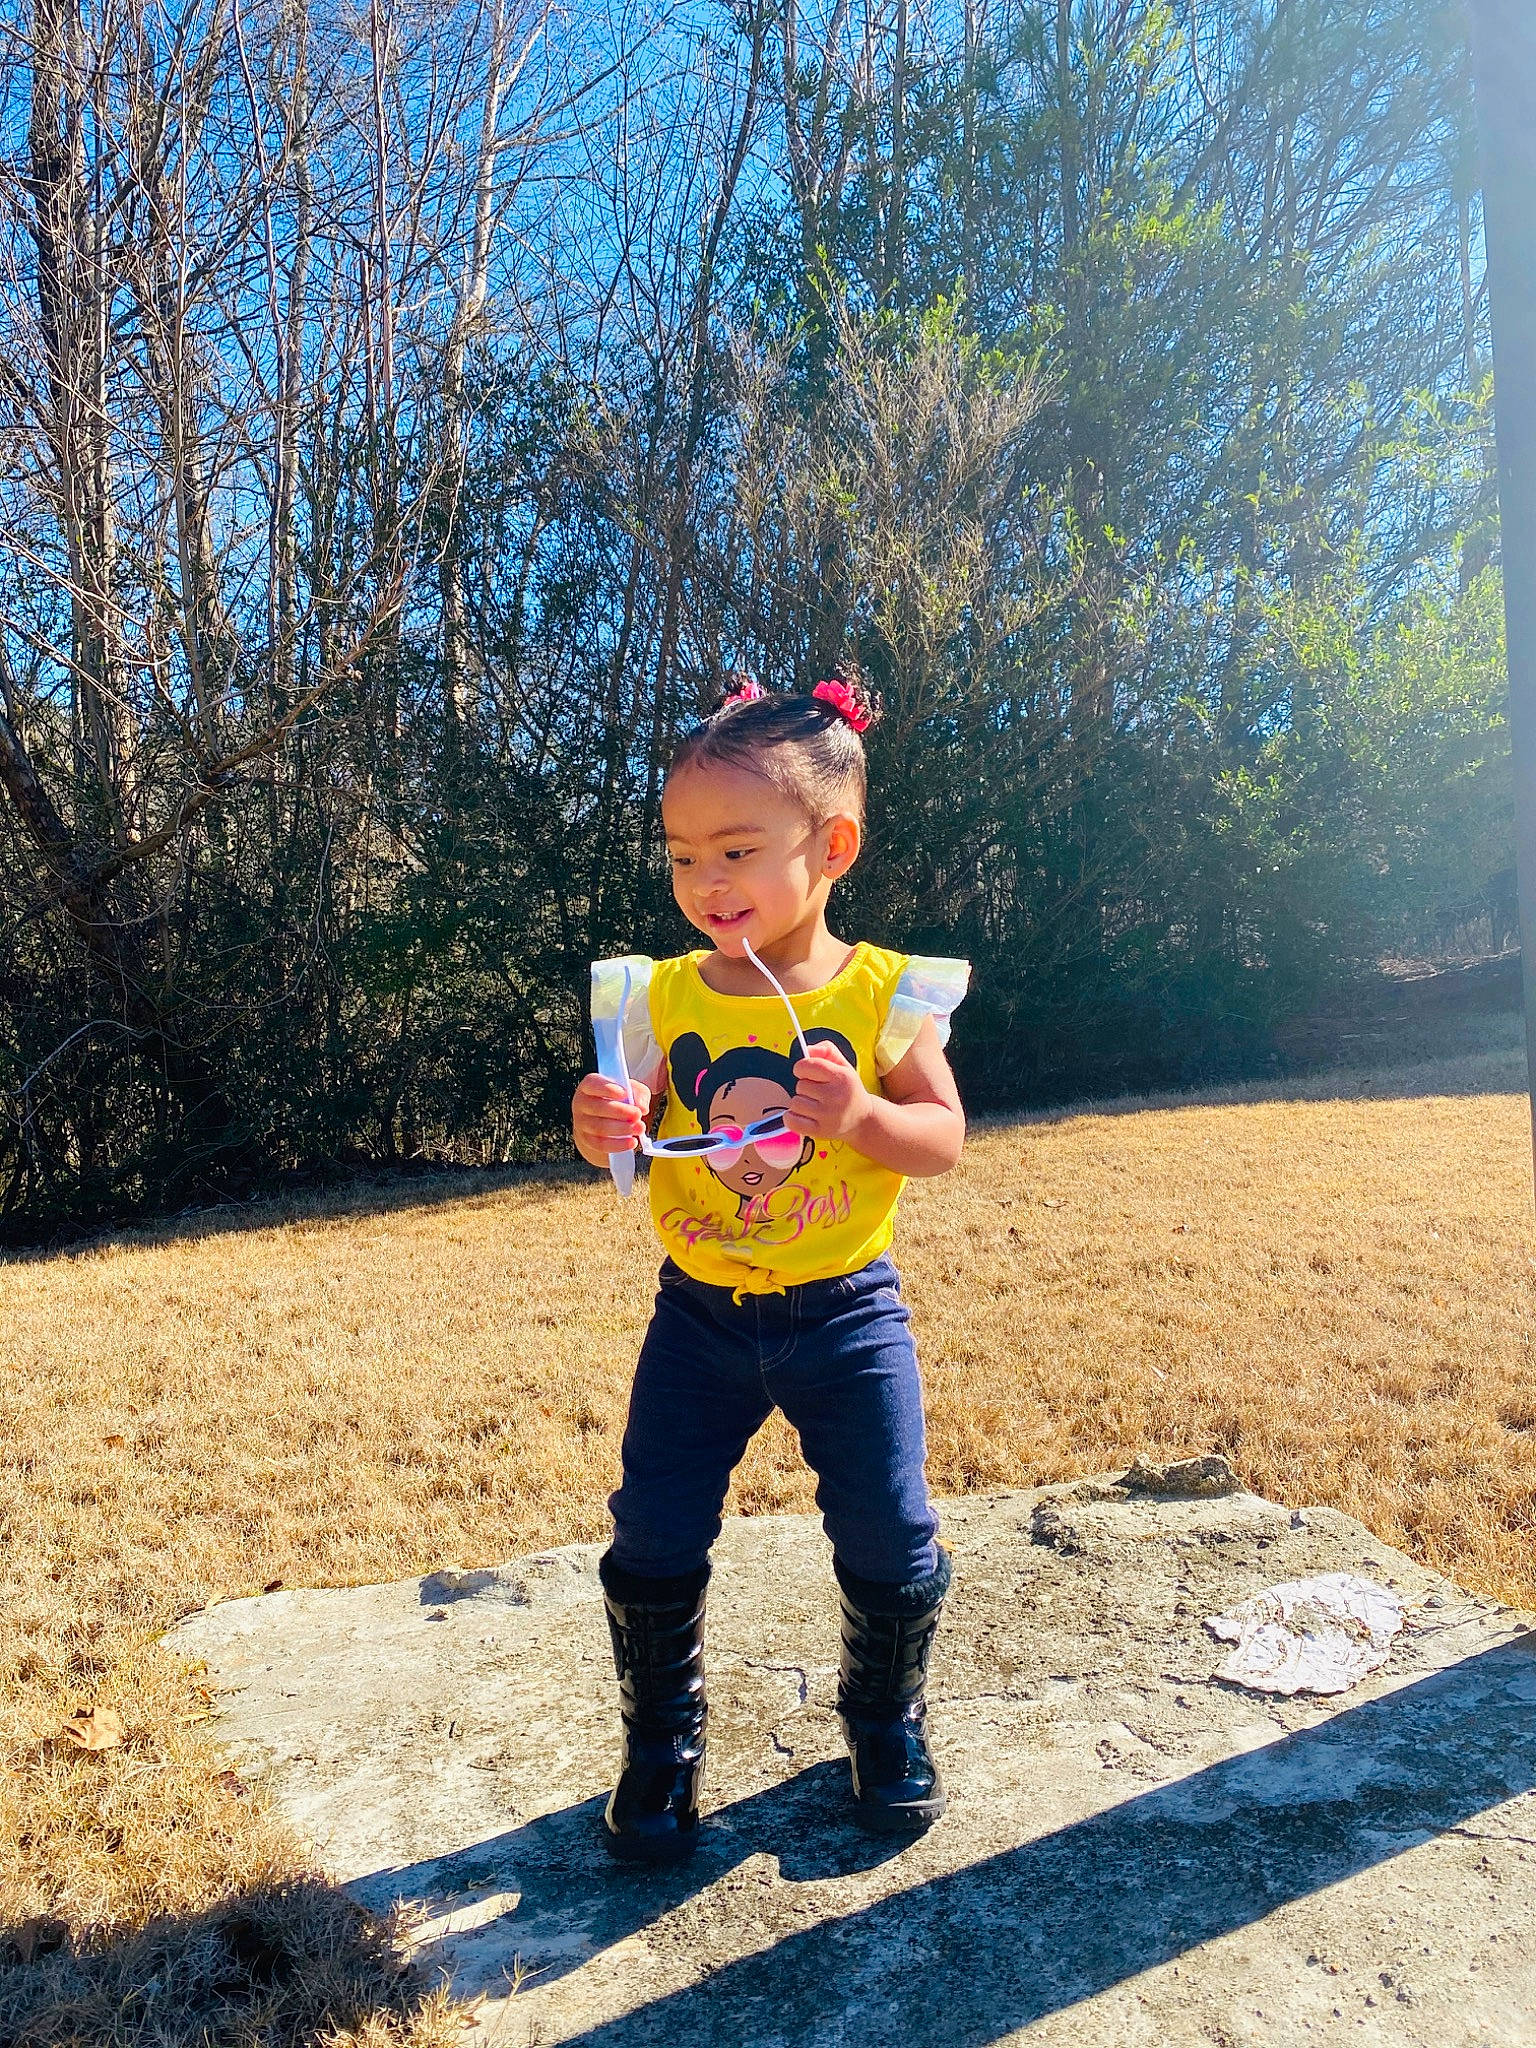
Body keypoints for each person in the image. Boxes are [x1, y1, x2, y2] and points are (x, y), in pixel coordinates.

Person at [571, 671, 969, 1862]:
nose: (708, 884)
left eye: (737, 850)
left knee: (891, 1528)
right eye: (685, 856)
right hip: (696, 1316)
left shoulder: (882, 993)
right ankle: (662, 1743)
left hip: (848, 1311)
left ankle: (884, 1721)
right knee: (653, 1526)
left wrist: (860, 1116)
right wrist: (601, 1120)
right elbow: (631, 1121)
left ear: (832, 843)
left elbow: (942, 1138)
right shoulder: (665, 995)